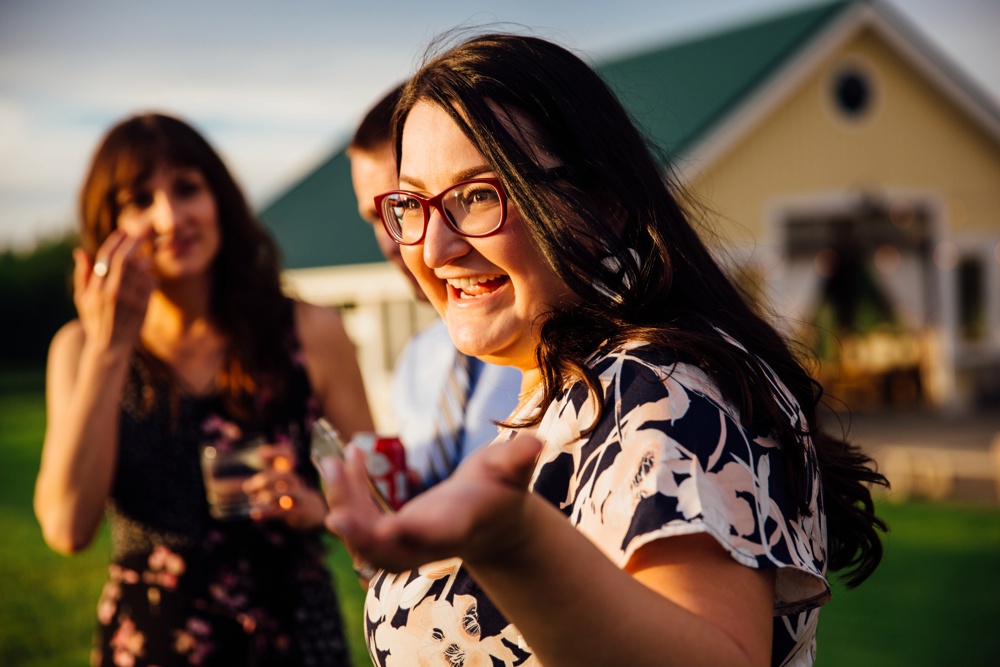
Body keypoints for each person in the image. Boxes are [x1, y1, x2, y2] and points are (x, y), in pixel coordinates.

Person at [320, 33, 889, 667]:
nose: (433, 249)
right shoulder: (574, 388)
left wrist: (515, 544)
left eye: (479, 195)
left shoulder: (658, 388)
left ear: (603, 203)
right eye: (412, 205)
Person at [34, 112, 373, 666]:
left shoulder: (309, 330)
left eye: (187, 188)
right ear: (107, 228)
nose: (170, 216)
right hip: (154, 642)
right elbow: (67, 527)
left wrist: (316, 507)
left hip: (294, 635)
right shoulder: (80, 349)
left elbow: (380, 497)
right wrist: (110, 348)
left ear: (221, 198)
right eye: (139, 200)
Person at [347, 84, 521, 489]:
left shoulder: (594, 367)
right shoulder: (417, 361)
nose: (395, 242)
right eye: (382, 216)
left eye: (408, 203)